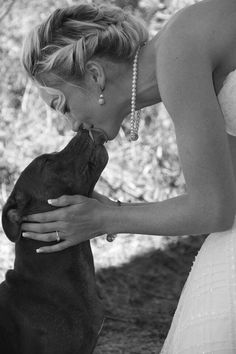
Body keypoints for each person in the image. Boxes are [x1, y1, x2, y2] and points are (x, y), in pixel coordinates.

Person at [20, 0, 236, 352]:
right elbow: (228, 199)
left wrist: (106, 218)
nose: (71, 124)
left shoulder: (179, 50)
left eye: (62, 105)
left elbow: (213, 209)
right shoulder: (178, 55)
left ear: (94, 75)